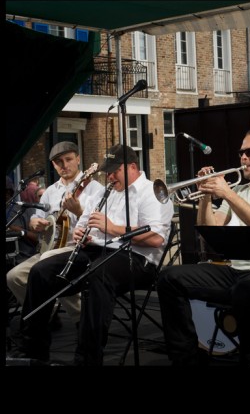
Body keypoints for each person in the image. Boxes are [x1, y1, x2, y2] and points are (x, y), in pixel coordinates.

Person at [157, 128, 250, 366]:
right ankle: (185, 358)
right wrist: (206, 194)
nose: (243, 158)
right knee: (169, 278)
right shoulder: (240, 190)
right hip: (236, 272)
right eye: (241, 153)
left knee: (247, 289)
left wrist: (226, 193)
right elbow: (210, 229)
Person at [16, 144, 174, 365]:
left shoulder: (152, 191)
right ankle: (32, 350)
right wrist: (82, 233)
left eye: (114, 171)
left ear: (132, 167)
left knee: (98, 275)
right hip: (96, 251)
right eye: (107, 172)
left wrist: (113, 228)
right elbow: (84, 222)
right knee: (41, 271)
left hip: (137, 257)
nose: (109, 177)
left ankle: (87, 358)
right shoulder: (107, 191)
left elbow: (156, 238)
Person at [7, 142, 104, 328]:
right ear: (53, 165)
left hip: (81, 250)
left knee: (52, 268)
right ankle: (47, 314)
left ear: (78, 159)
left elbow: (101, 227)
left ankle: (82, 322)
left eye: (68, 159)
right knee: (14, 277)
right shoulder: (50, 192)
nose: (64, 165)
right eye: (58, 161)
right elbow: (37, 217)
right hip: (50, 249)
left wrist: (78, 211)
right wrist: (34, 222)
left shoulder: (94, 189)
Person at [5, 176, 39, 267]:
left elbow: (39, 238)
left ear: (8, 192)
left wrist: (19, 230)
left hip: (22, 259)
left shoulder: (23, 210)